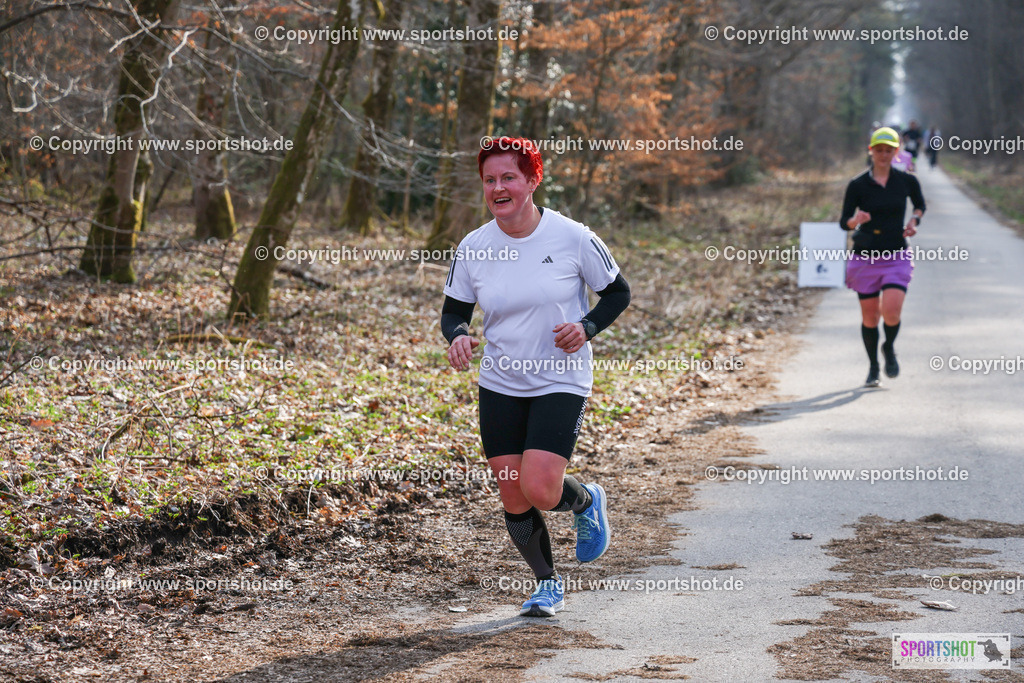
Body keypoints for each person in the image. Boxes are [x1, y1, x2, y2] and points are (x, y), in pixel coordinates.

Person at [440, 136, 631, 617]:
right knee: (512, 487)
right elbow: (454, 310)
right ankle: (547, 584)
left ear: (532, 180)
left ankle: (585, 501)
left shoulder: (573, 237)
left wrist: (586, 328)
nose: (498, 188)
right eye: (490, 180)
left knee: (542, 488)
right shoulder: (475, 246)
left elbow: (618, 293)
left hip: (559, 377)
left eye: (509, 178)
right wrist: (459, 334)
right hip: (501, 380)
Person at [839, 127, 925, 387]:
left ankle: (888, 347)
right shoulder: (857, 184)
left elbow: (920, 205)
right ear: (871, 151)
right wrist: (856, 220)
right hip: (865, 256)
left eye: (889, 150)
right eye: (879, 150)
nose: (884, 155)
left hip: (896, 252)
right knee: (869, 318)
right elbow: (845, 222)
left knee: (891, 312)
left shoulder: (906, 181)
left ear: (896, 152)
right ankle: (874, 367)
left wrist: (914, 220)